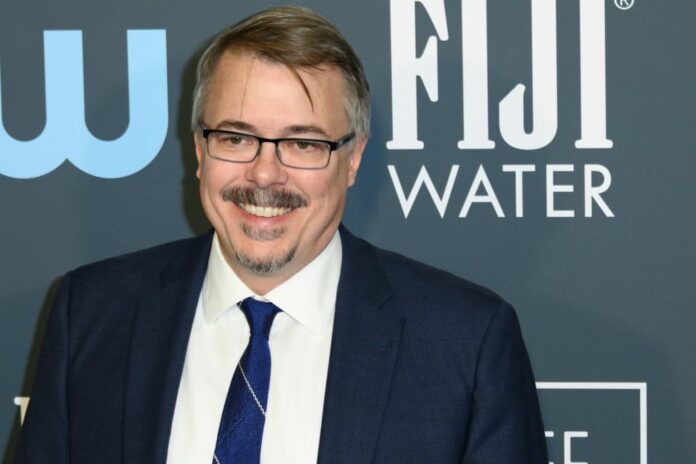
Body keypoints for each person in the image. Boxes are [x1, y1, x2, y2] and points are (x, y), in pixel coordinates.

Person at [13, 6, 547, 464]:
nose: (265, 174)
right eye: (236, 137)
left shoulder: (466, 344)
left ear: (353, 158)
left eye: (304, 144)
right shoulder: (90, 314)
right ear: (199, 149)